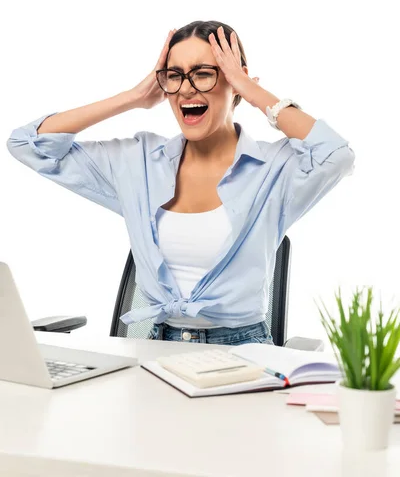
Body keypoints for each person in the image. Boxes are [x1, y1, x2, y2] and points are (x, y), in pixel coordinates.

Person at [6, 20, 355, 346]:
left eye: (204, 74)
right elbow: (28, 145)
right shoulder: (140, 161)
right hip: (155, 348)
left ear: (234, 80)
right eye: (174, 76)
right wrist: (133, 97)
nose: (186, 88)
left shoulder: (273, 169)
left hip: (244, 352)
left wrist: (250, 90)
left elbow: (335, 154)